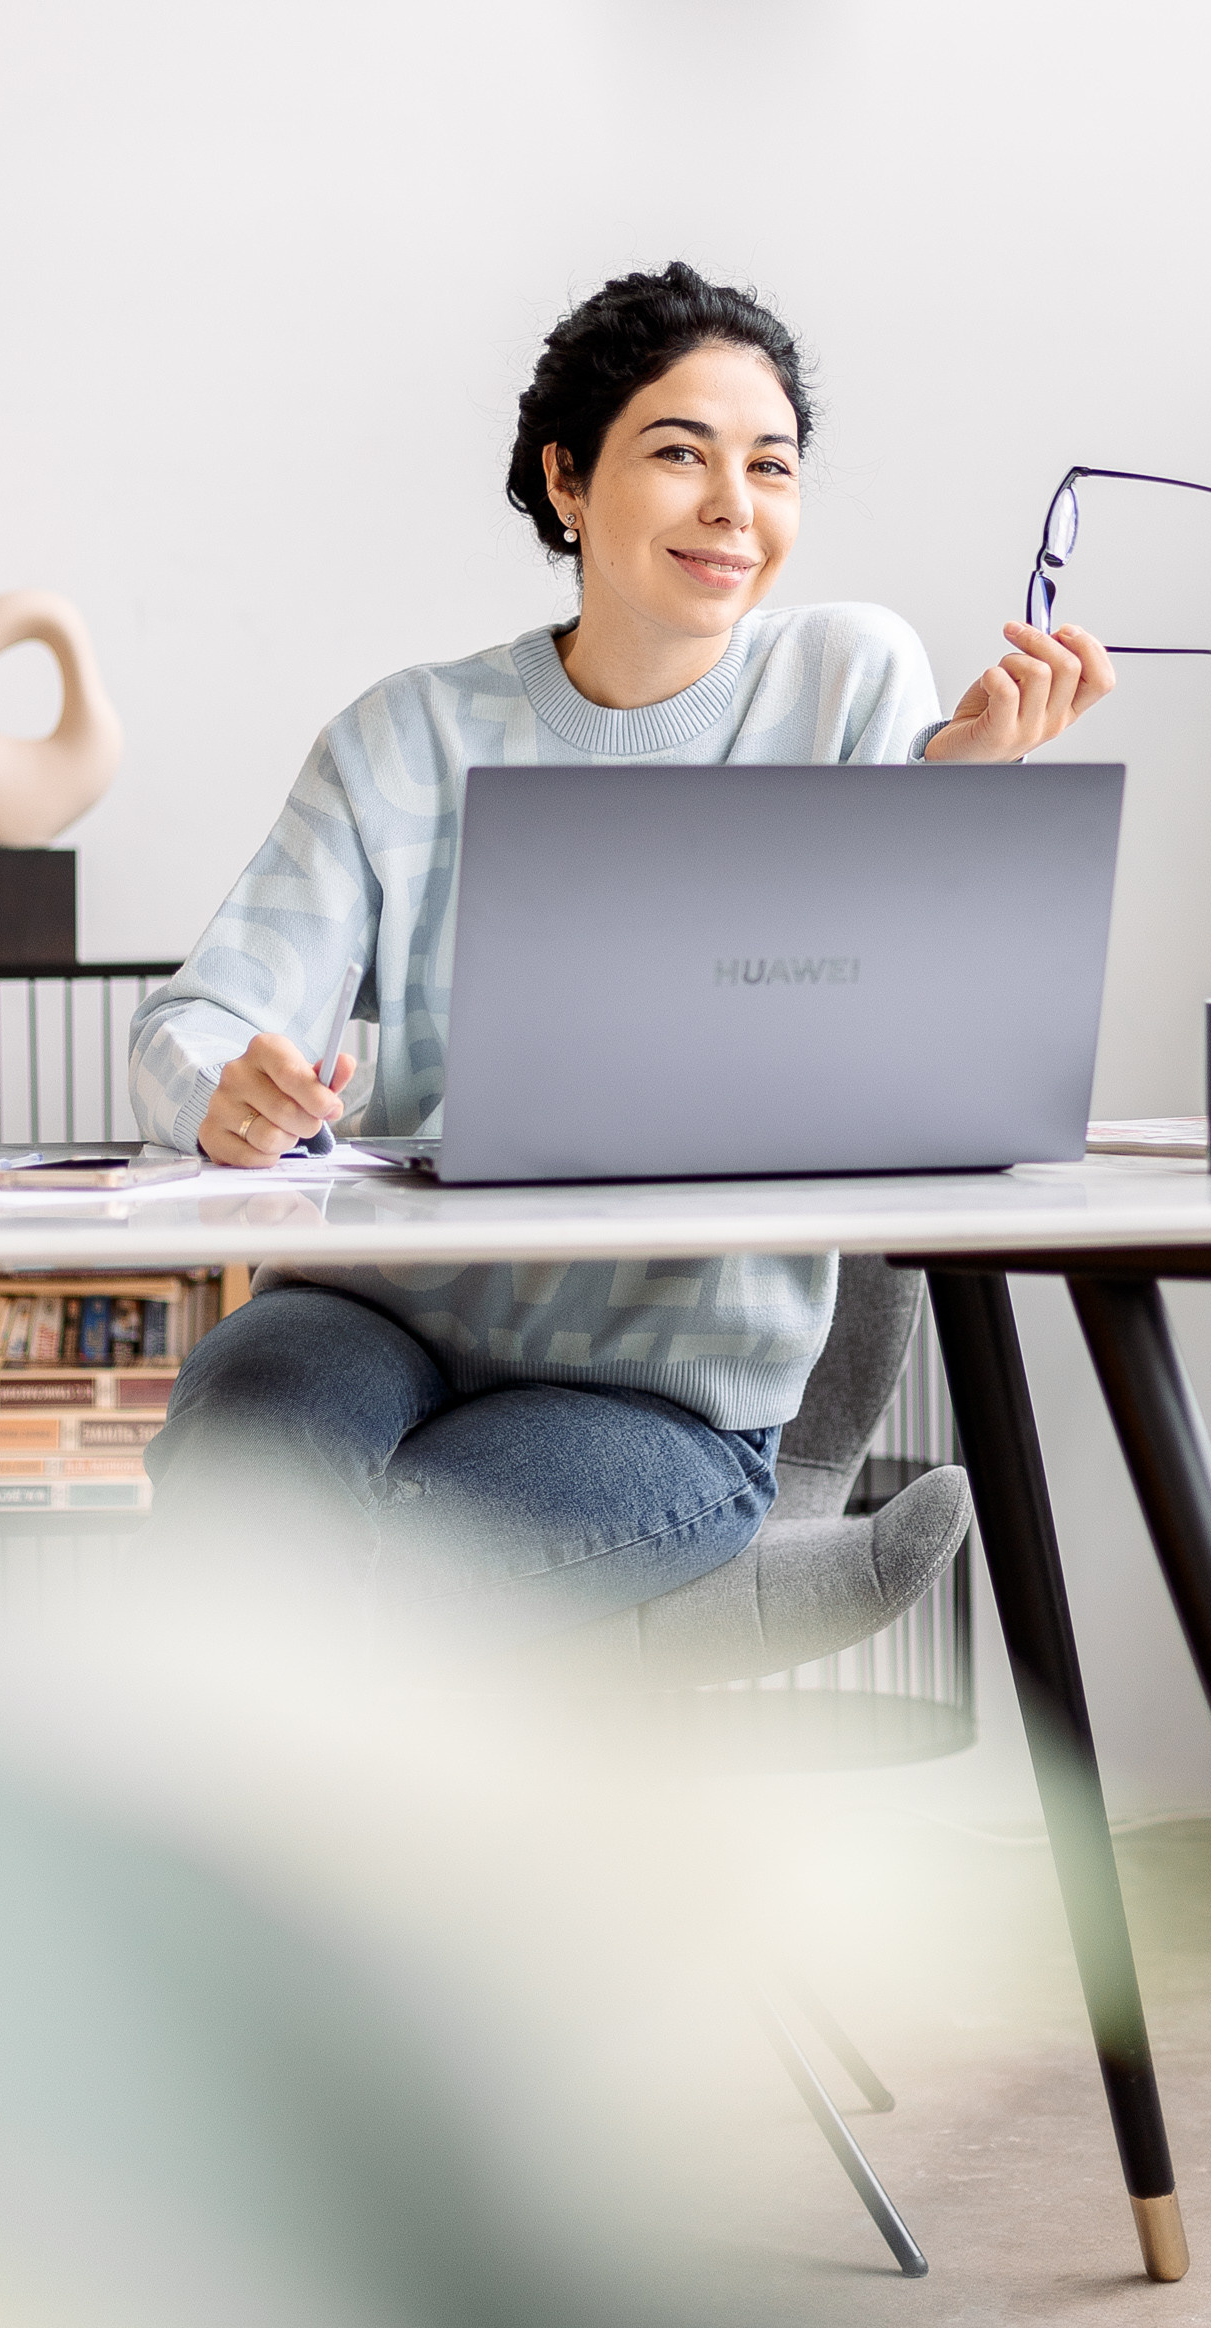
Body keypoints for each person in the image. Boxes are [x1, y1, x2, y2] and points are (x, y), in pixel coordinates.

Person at [128, 264, 1113, 1627]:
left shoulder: (844, 678)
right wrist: (230, 1093)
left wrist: (959, 793)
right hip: (372, 1318)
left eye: (770, 466)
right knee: (246, 1467)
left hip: (668, 1389)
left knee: (388, 1569)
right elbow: (194, 1022)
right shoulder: (404, 738)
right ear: (568, 482)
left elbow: (914, 1044)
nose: (732, 505)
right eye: (677, 453)